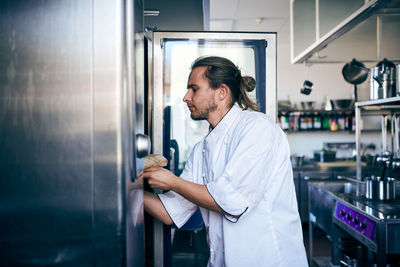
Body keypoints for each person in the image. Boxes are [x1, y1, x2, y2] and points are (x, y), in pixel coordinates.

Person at [143, 56, 308, 267]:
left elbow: (231, 202)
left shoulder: (258, 128)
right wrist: (130, 188)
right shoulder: (201, 150)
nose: (186, 97)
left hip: (269, 260)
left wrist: (172, 182)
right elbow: (170, 212)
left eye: (194, 89)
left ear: (221, 92)